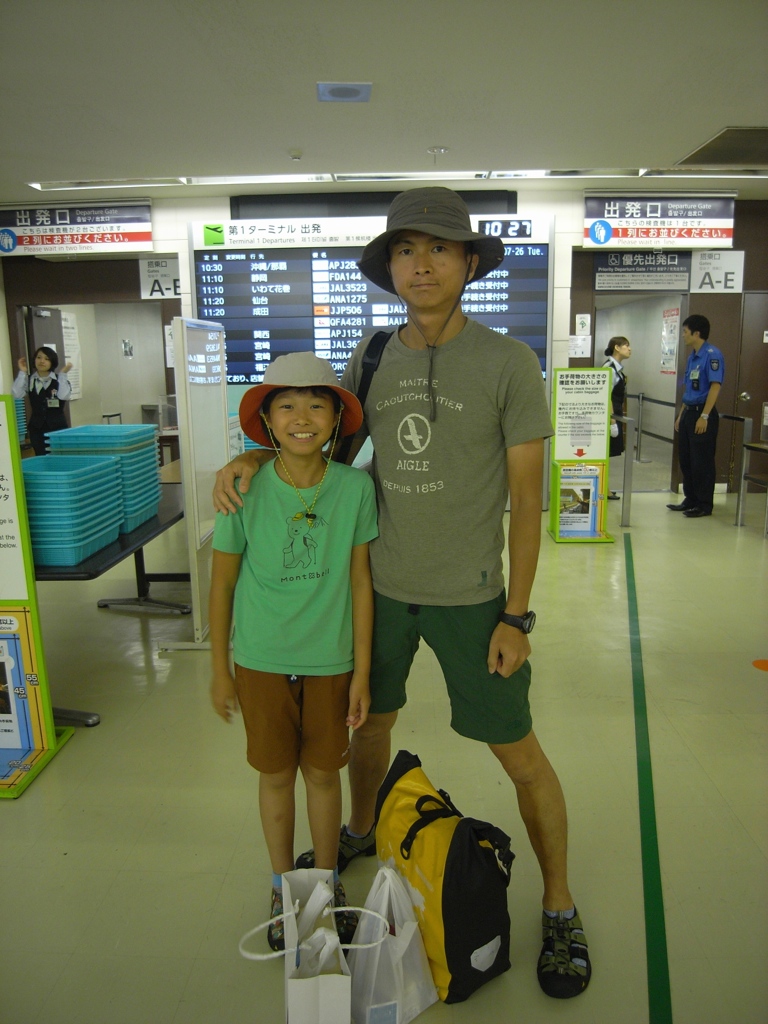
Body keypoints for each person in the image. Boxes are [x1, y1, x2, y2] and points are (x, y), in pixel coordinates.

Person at [213, 187, 591, 998]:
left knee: (518, 753)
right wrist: (248, 459)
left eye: (440, 249)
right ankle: (354, 830)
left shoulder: (507, 362)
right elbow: (315, 441)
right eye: (406, 251)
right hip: (378, 591)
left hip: (472, 598)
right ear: (390, 267)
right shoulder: (373, 353)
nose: (421, 264)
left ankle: (558, 905)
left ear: (467, 264)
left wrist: (518, 614)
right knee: (366, 725)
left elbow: (528, 501)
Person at [209, 352, 378, 951]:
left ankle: (324, 887)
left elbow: (361, 580)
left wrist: (361, 669)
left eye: (316, 404)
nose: (301, 416)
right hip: (259, 660)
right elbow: (222, 582)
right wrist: (220, 669)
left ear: (336, 418)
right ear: (266, 419)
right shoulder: (244, 489)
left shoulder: (356, 488)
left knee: (324, 775)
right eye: (286, 405)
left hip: (331, 662)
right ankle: (284, 887)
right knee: (276, 775)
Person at [666, 314, 724, 518]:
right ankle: (690, 499)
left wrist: (705, 416)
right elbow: (689, 388)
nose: (683, 335)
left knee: (702, 461)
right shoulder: (692, 356)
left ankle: (704, 504)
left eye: (685, 331)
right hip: (689, 412)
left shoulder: (712, 355)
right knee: (686, 459)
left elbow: (715, 387)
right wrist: (681, 415)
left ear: (696, 333)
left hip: (703, 413)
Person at [12, 347, 73, 456]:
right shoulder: (30, 379)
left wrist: (63, 374)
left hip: (57, 427)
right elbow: (16, 394)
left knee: (59, 456)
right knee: (41, 456)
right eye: (39, 357)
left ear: (52, 362)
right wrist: (22, 372)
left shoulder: (59, 379)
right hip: (37, 428)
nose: (42, 361)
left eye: (46, 358)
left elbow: (64, 396)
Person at [602, 336, 631, 499]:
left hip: (615, 415)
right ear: (616, 347)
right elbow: (606, 395)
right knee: (605, 453)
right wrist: (612, 421)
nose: (629, 349)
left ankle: (606, 487)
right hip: (610, 418)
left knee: (608, 454)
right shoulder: (609, 368)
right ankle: (604, 488)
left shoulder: (617, 368)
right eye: (626, 346)